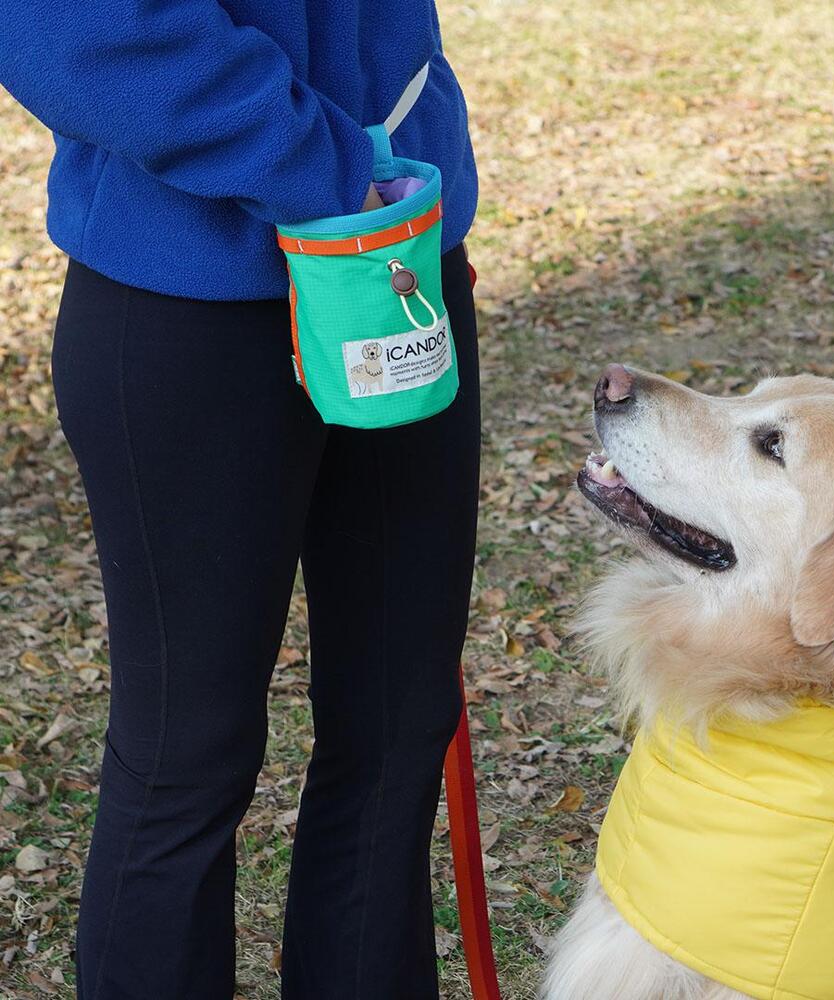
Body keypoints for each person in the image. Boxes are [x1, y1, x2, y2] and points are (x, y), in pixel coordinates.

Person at [0, 3, 479, 998]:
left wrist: (399, 168)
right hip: (189, 294)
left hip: (396, 262)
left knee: (399, 719)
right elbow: (75, 33)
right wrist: (329, 167)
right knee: (191, 750)